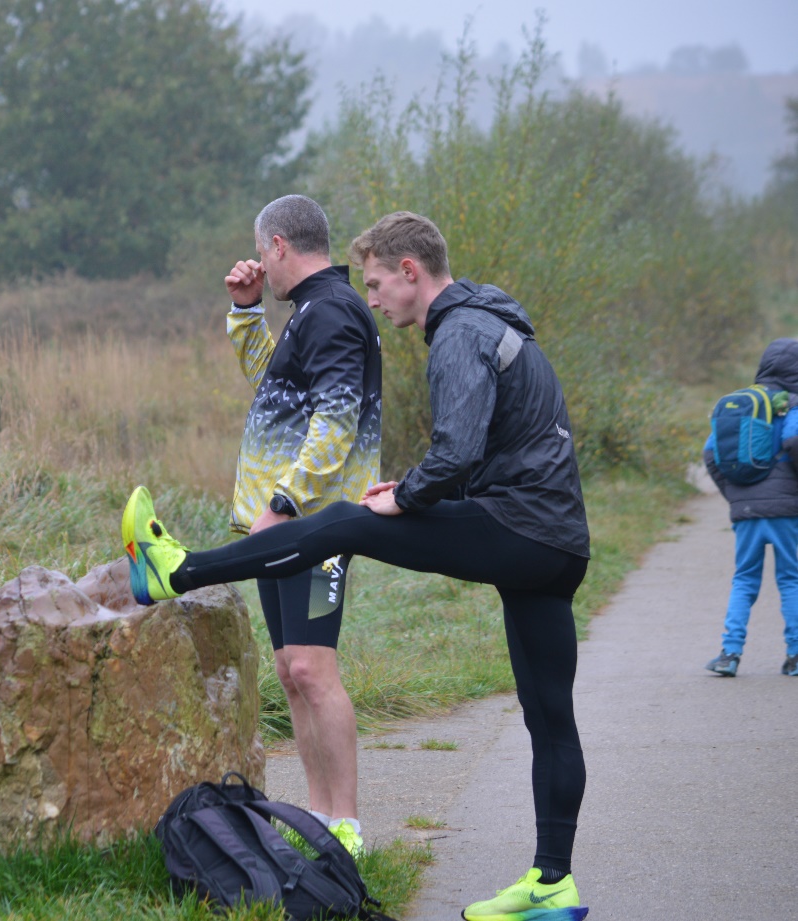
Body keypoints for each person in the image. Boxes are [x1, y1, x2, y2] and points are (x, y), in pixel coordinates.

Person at [123, 211, 591, 921]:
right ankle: (554, 883)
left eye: (376, 283)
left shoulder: (459, 333)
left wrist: (402, 494)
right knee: (549, 715)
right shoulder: (493, 323)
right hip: (556, 544)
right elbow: (483, 452)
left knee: (341, 519)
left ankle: (178, 569)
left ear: (411, 272)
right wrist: (406, 489)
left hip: (519, 526)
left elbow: (459, 453)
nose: (371, 298)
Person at [219, 194, 381, 854]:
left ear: (280, 245)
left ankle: (345, 824)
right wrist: (246, 312)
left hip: (314, 530)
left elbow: (336, 423)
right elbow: (272, 383)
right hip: (285, 527)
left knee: (315, 669)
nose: (259, 261)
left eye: (262, 252)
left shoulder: (334, 311)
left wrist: (282, 504)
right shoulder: (308, 310)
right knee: (291, 670)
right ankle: (318, 817)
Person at [702, 337, 798, 678]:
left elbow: (710, 452)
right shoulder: (793, 404)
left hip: (745, 509)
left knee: (744, 579)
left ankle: (729, 654)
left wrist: (734, 494)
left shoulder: (742, 404)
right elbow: (794, 440)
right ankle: (795, 655)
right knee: (791, 579)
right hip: (788, 511)